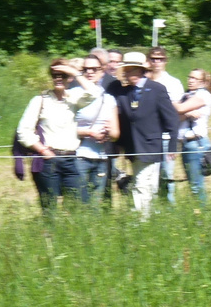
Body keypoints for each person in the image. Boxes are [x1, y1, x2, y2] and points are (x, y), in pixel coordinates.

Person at [16, 58, 99, 210]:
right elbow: (23, 131)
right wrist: (43, 150)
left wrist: (75, 72)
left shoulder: (73, 99)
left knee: (81, 206)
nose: (58, 78)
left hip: (70, 159)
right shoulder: (39, 100)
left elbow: (94, 93)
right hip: (48, 161)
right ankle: (50, 234)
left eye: (63, 75)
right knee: (50, 209)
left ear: (69, 78)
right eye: (55, 75)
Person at [110, 51, 180, 218]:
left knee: (142, 183)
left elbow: (171, 120)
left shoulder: (157, 89)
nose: (127, 74)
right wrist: (119, 145)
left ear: (140, 70)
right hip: (133, 148)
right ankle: (148, 218)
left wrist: (172, 147)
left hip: (151, 146)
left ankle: (140, 220)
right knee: (146, 184)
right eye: (125, 70)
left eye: (131, 70)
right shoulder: (124, 93)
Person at [74, 55, 120, 202]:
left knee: (96, 205)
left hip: (101, 158)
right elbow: (63, 129)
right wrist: (89, 132)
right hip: (78, 156)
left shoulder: (109, 99)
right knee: (79, 201)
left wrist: (108, 133)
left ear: (102, 72)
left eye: (94, 69)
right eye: (86, 69)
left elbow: (116, 133)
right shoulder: (73, 95)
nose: (90, 72)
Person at [147, 47, 184, 203]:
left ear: (165, 61)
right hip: (147, 136)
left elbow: (178, 111)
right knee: (148, 177)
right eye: (153, 59)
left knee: (167, 175)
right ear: (148, 61)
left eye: (160, 59)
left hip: (166, 136)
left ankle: (169, 209)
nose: (156, 62)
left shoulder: (173, 83)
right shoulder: (143, 81)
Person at [174, 68, 211, 204]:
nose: (191, 80)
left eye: (195, 79)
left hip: (195, 144)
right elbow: (177, 116)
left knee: (196, 186)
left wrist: (166, 99)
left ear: (203, 82)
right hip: (186, 143)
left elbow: (179, 109)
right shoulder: (187, 95)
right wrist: (186, 113)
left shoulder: (203, 95)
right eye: (190, 77)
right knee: (193, 183)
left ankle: (202, 217)